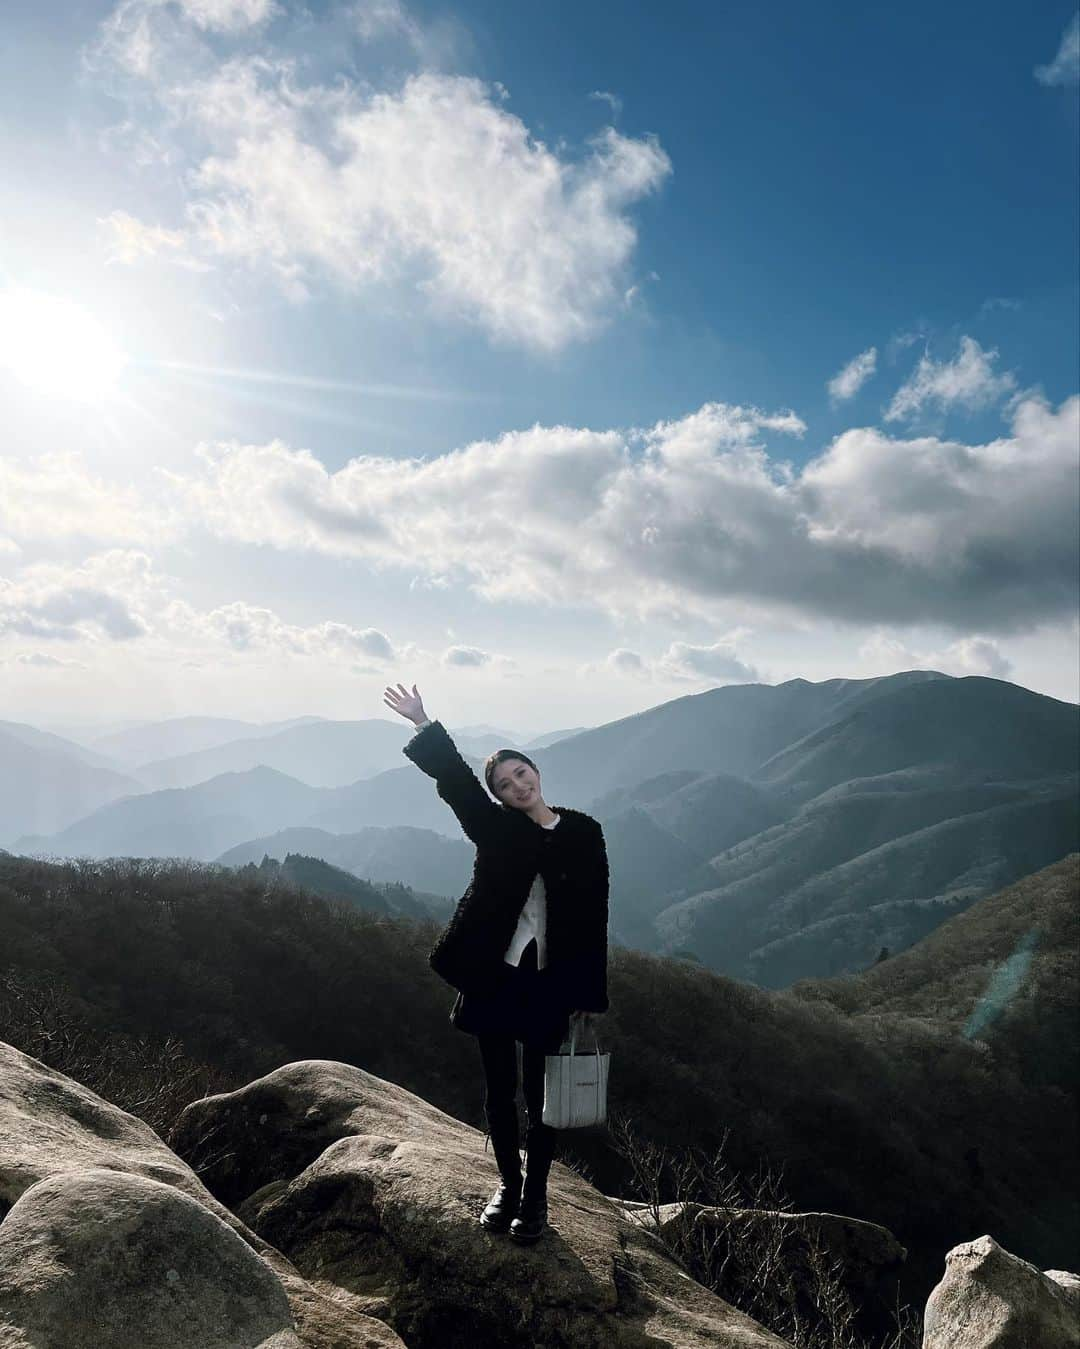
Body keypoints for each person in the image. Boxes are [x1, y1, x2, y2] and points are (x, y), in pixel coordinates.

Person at [384, 682, 609, 1245]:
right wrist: (422, 724)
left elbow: (594, 915)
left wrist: (587, 995)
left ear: (536, 771)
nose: (516, 785)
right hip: (494, 975)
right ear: (501, 797)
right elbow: (457, 785)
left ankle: (536, 1200)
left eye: (520, 774)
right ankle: (507, 1187)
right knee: (498, 1091)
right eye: (504, 785)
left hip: (549, 984)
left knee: (542, 1096)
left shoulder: (584, 833)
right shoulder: (497, 830)